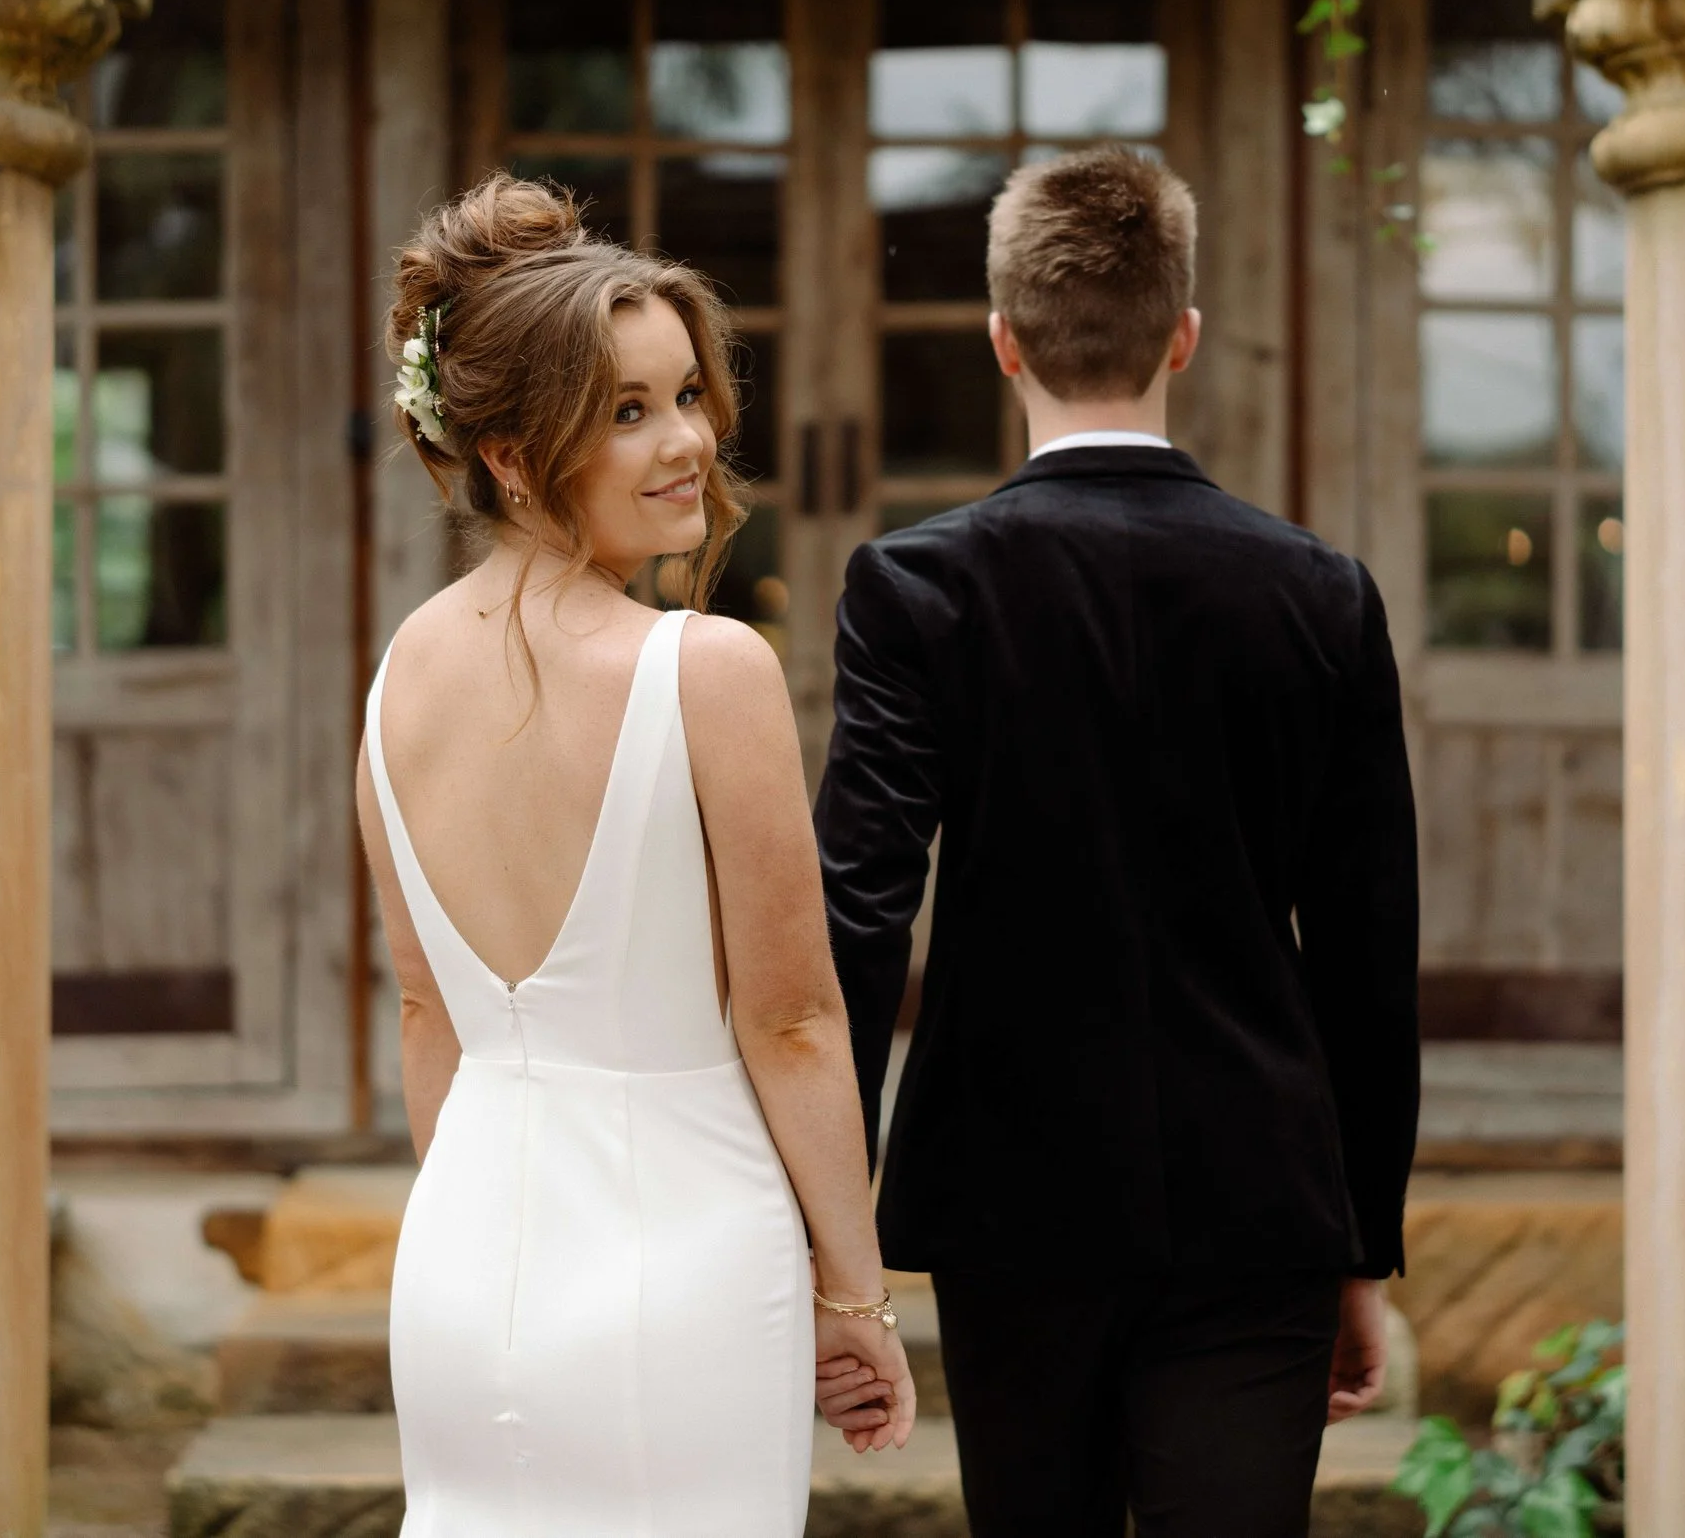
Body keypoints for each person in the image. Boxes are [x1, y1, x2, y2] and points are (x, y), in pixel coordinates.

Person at [811, 146, 1420, 1538]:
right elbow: (1369, 949)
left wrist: (832, 1235)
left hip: (1010, 1192)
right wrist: (1361, 1242)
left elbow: (857, 910)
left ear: (1001, 342)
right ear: (1184, 338)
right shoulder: (1321, 594)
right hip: (1261, 1193)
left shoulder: (918, 587)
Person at [355, 173, 914, 1538]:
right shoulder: (706, 670)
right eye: (626, 412)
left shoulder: (395, 680)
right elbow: (790, 1018)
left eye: (684, 396)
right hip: (686, 1264)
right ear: (504, 451)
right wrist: (857, 1297)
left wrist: (498, 1238)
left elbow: (429, 1013)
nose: (688, 444)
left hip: (463, 1260)